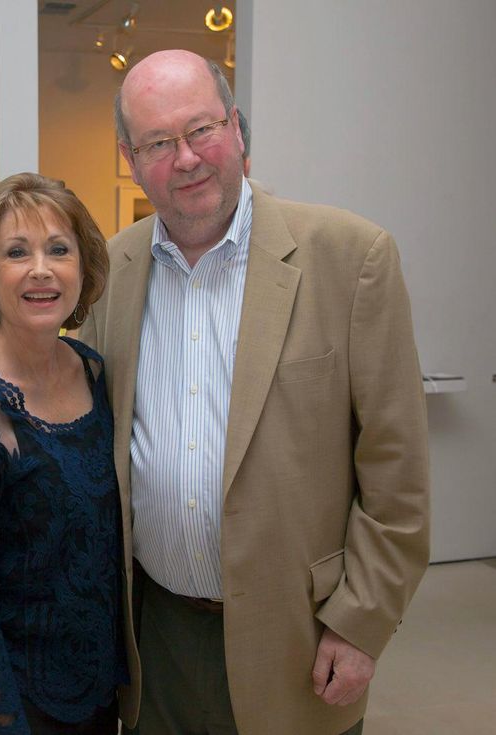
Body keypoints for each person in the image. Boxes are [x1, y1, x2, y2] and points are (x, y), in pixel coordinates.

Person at [80, 50, 430, 735]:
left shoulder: (351, 257)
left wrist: (361, 622)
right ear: (130, 159)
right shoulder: (110, 272)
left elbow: (399, 473)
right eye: (158, 143)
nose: (186, 158)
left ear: (236, 128)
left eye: (201, 129)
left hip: (300, 638)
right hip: (156, 642)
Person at [0, 173, 125, 734]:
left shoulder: (92, 370)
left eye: (59, 250)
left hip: (99, 691)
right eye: (17, 253)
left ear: (83, 269)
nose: (41, 269)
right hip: (15, 698)